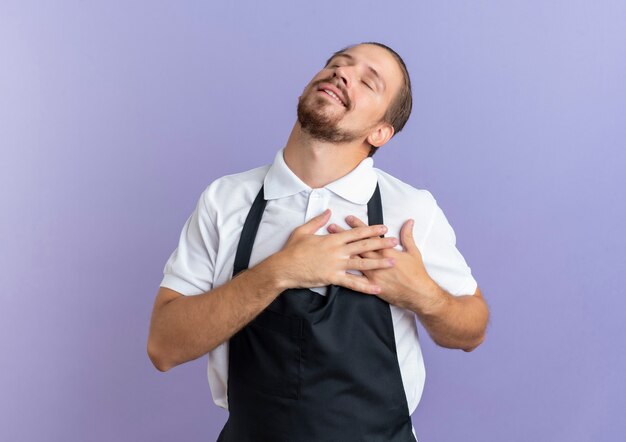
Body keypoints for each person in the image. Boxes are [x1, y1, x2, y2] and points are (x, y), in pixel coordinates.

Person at [147, 41, 490, 442]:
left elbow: (473, 330)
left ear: (380, 132)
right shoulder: (226, 200)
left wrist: (424, 296)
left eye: (368, 81)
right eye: (336, 64)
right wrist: (278, 272)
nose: (342, 74)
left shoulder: (409, 209)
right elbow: (163, 347)